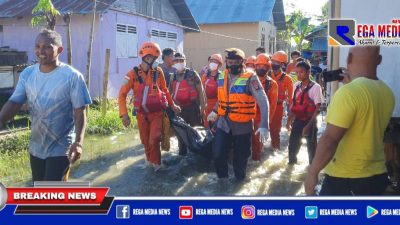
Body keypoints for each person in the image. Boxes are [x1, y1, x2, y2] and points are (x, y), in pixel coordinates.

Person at [0, 29, 91, 182]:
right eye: (37, 46)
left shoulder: (72, 77)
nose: (41, 51)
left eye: (47, 47)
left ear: (59, 50)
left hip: (62, 148)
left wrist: (79, 143)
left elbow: (79, 113)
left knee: (51, 192)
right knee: (39, 188)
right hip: (36, 146)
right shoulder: (28, 74)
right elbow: (15, 102)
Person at [305, 46, 395, 196]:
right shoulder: (387, 92)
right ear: (379, 60)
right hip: (377, 176)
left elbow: (330, 139)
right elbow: (365, 123)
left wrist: (312, 173)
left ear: (348, 59)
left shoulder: (348, 93)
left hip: (346, 179)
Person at [207, 48, 270, 180]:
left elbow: (263, 101)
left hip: (242, 123)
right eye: (230, 62)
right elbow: (223, 97)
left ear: (243, 62)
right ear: (226, 62)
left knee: (241, 158)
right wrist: (214, 110)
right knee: (217, 153)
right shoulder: (222, 75)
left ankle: (238, 184)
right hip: (223, 121)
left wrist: (264, 124)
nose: (233, 64)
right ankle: (222, 180)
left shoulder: (251, 78)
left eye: (236, 62)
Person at [118, 42, 181, 171]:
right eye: (150, 58)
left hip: (157, 113)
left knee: (154, 139)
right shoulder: (131, 75)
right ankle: (150, 163)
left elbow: (164, 89)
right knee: (146, 142)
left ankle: (157, 165)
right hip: (141, 115)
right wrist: (124, 114)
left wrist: (172, 104)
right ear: (145, 58)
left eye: (154, 58)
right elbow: (122, 95)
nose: (153, 61)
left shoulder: (158, 72)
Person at [286, 61, 323, 165]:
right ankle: (291, 168)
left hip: (310, 122)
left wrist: (308, 126)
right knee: (292, 147)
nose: (298, 75)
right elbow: (294, 104)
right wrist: (289, 121)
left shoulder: (316, 87)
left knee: (312, 151)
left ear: (308, 72)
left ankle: (311, 171)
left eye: (301, 72)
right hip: (298, 121)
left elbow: (317, 109)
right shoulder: (296, 85)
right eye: (296, 72)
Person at [171, 52, 206, 156]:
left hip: (193, 109)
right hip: (179, 110)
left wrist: (203, 110)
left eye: (181, 60)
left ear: (185, 61)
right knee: (181, 137)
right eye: (176, 60)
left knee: (197, 134)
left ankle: (200, 156)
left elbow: (201, 92)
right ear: (173, 62)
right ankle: (183, 157)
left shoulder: (192, 74)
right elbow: (168, 93)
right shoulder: (173, 76)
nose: (179, 62)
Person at [252, 53, 278, 161]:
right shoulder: (250, 80)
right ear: (255, 66)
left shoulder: (272, 84)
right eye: (259, 66)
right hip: (248, 116)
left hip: (261, 118)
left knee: (257, 145)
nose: (261, 68)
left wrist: (266, 122)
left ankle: (255, 164)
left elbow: (272, 105)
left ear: (268, 67)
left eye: (264, 66)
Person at [269, 51, 293, 151]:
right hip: (266, 106)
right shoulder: (266, 75)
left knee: (275, 132)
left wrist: (290, 119)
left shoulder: (287, 78)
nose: (274, 64)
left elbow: (291, 98)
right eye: (273, 61)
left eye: (276, 62)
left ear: (282, 64)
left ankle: (275, 151)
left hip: (278, 107)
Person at [201, 53, 223, 128]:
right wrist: (202, 107)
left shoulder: (221, 77)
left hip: (216, 107)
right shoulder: (205, 76)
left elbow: (222, 95)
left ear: (219, 65)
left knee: (215, 129)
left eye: (215, 62)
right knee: (206, 128)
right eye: (211, 61)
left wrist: (215, 110)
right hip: (205, 105)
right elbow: (201, 91)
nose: (213, 63)